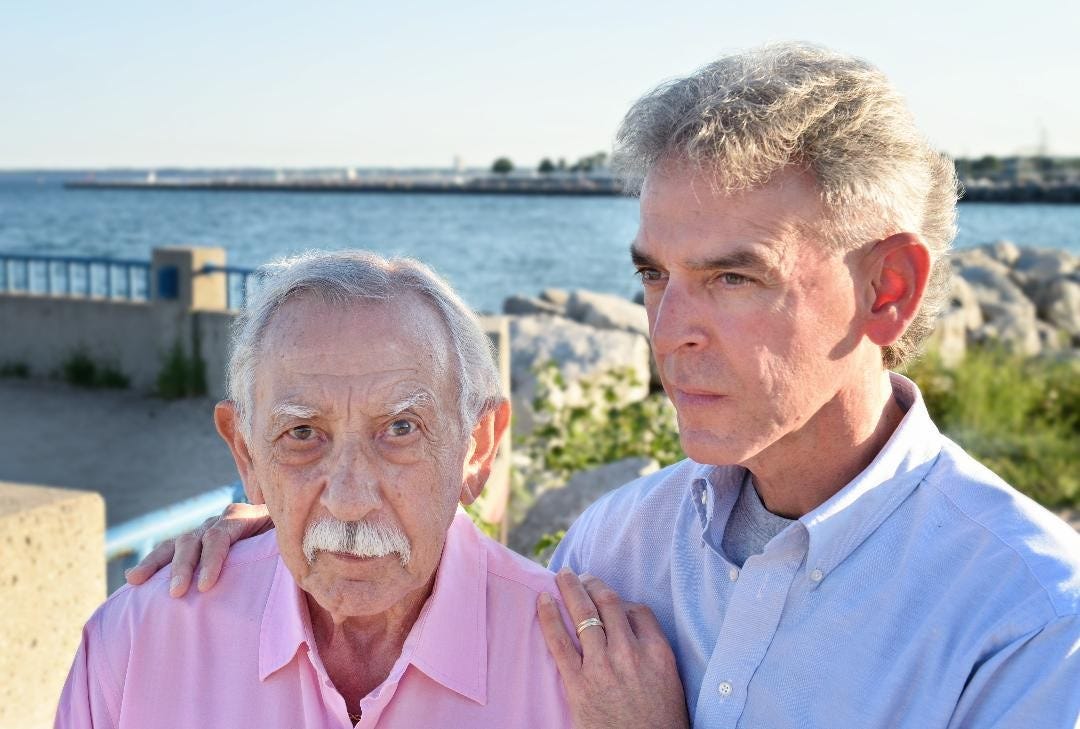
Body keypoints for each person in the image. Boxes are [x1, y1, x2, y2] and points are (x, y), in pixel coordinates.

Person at [129, 43, 1080, 727]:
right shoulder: (615, 545)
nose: (667, 333)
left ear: (889, 289)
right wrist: (291, 525)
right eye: (655, 275)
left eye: (732, 277)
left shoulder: (1034, 622)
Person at [57, 250, 686, 728]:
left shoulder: (592, 683)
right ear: (246, 452)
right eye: (303, 433)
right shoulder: (138, 640)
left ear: (478, 446)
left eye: (401, 429)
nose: (350, 499)